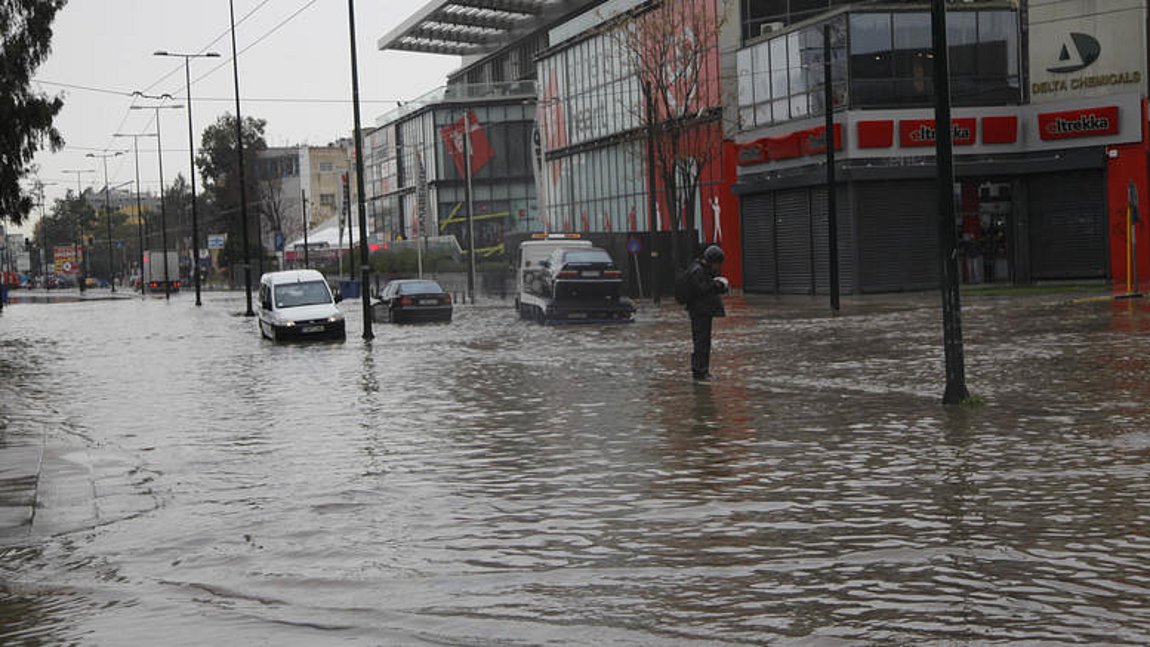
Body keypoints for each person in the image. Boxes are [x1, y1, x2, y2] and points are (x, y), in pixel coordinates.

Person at [683, 244, 728, 380]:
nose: (717, 267)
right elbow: (701, 289)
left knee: (704, 342)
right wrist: (715, 285)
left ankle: (703, 370)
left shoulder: (702, 270)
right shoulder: (698, 271)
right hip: (699, 312)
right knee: (701, 342)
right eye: (717, 264)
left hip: (704, 311)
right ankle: (700, 372)